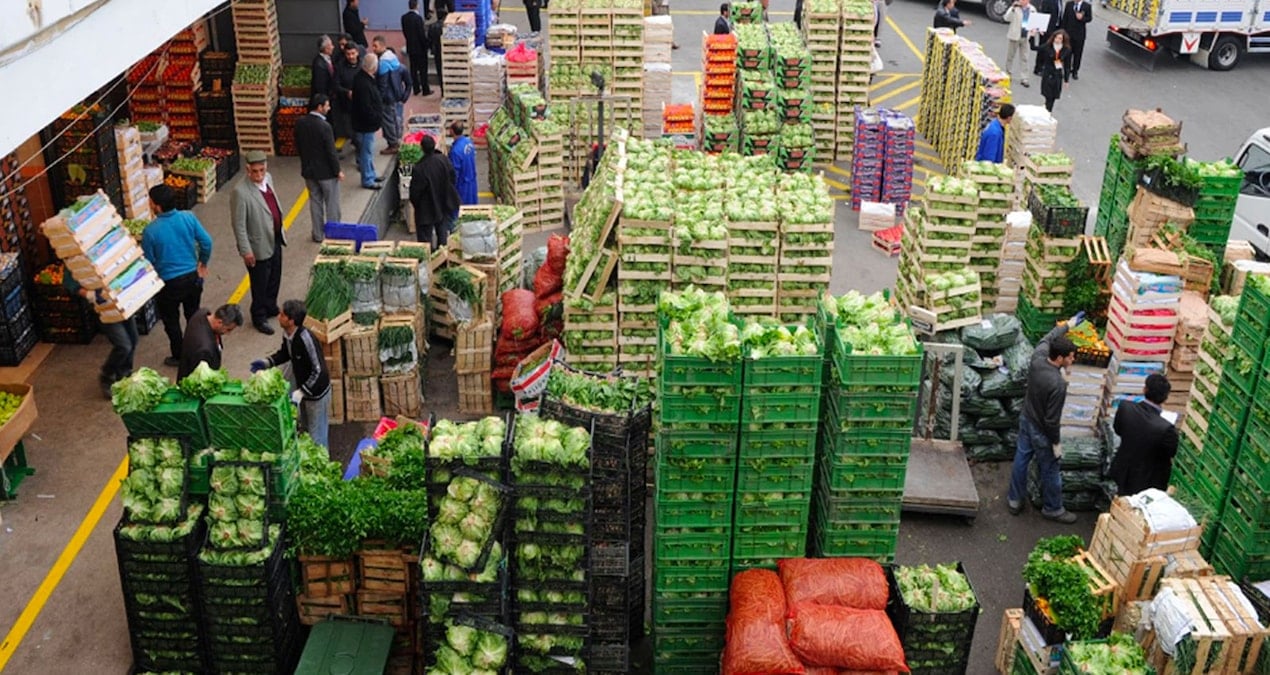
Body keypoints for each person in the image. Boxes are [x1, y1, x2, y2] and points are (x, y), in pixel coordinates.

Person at [1007, 315, 1081, 523]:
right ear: (1060, 358)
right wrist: (1056, 443)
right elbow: (1051, 420)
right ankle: (1053, 508)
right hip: (1042, 430)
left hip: (1027, 418)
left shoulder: (1038, 358)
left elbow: (1048, 337)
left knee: (1021, 457)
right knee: (1050, 468)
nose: (1072, 360)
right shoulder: (1057, 384)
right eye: (1070, 357)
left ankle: (1014, 499)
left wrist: (1068, 325)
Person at [141, 184, 213, 368]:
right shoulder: (188, 217)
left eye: (150, 201)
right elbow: (206, 242)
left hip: (168, 284)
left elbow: (148, 261)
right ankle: (196, 350)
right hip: (192, 278)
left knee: (171, 321)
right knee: (193, 316)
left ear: (157, 206)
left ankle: (179, 355)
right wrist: (202, 263)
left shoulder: (150, 231)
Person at [251, 300, 332, 450]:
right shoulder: (288, 334)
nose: (278, 316)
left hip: (317, 395)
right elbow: (285, 353)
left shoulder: (305, 339)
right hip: (305, 390)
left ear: (291, 320)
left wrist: (302, 391)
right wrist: (267, 362)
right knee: (307, 430)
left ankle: (323, 464)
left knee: (317, 435)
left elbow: (319, 370)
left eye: (282, 315)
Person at [232, 151, 288, 335]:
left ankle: (271, 305)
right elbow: (239, 225)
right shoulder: (240, 192)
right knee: (259, 283)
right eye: (254, 171)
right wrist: (245, 250)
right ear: (247, 170)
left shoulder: (269, 179)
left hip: (275, 238)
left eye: (262, 170)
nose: (259, 175)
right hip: (257, 246)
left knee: (275, 277)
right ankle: (259, 315)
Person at [64, 275, 139, 398]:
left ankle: (125, 375)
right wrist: (88, 294)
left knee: (133, 339)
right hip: (103, 307)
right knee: (123, 345)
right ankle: (107, 375)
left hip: (121, 298)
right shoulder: (77, 258)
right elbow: (69, 282)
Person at [1109, 374, 1179, 496]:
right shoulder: (1167, 428)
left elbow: (1118, 430)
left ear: (1144, 389)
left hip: (1123, 470)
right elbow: (1170, 453)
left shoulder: (1126, 408)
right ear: (1165, 398)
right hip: (1149, 481)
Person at [295, 94, 344, 243]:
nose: (329, 108)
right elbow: (331, 152)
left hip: (309, 171)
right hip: (326, 173)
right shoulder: (325, 127)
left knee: (315, 202)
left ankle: (317, 234)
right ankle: (334, 233)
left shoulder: (300, 123)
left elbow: (298, 145)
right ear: (320, 107)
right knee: (332, 204)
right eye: (327, 106)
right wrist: (338, 171)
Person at [410, 135, 460, 248]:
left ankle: (428, 260)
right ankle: (442, 257)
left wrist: (417, 205)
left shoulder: (419, 168)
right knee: (442, 233)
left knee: (425, 239)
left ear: (422, 148)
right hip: (443, 203)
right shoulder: (443, 160)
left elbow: (415, 193)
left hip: (426, 208)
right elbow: (453, 176)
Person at [177, 304, 243, 381]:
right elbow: (202, 380)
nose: (228, 333)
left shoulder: (203, 313)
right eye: (228, 329)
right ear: (219, 322)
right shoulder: (204, 350)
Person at [351, 52, 386, 189]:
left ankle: (371, 174)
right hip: (365, 125)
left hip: (365, 124)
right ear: (373, 67)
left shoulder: (362, 79)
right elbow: (366, 107)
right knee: (366, 152)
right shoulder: (364, 84)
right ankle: (368, 179)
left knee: (368, 151)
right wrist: (376, 117)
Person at [372, 36, 412, 155]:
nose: (373, 49)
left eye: (375, 46)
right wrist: (404, 95)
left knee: (388, 121)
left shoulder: (383, 63)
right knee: (395, 118)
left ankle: (393, 144)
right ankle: (396, 139)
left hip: (387, 98)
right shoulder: (393, 60)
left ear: (383, 46)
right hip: (396, 96)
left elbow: (383, 84)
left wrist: (378, 99)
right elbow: (407, 80)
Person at [1036, 29, 1073, 112]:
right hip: (1048, 74)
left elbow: (1067, 65)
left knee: (1053, 97)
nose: (1057, 40)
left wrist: (1066, 80)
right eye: (1056, 37)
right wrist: (1032, 36)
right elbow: (1034, 48)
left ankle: (1047, 110)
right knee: (1048, 96)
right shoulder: (1048, 46)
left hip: (1057, 75)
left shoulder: (1066, 50)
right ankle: (1047, 111)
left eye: (1060, 38)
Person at [333, 41, 362, 146]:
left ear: (357, 53)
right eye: (348, 54)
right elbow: (336, 85)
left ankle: (359, 149)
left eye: (353, 53)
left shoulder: (362, 66)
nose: (350, 56)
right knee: (350, 129)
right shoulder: (340, 67)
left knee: (360, 131)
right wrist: (347, 92)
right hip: (346, 105)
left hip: (361, 104)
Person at [402, 0, 433, 96]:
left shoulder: (404, 18)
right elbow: (421, 35)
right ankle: (425, 89)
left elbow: (405, 32)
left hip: (410, 47)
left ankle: (415, 88)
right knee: (423, 70)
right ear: (417, 6)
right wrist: (427, 45)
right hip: (420, 48)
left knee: (413, 69)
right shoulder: (418, 19)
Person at [1004, 0, 1036, 87]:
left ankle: (1024, 78)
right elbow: (1006, 18)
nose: (1022, 1)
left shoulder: (1032, 9)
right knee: (1010, 56)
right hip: (1015, 35)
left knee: (1025, 57)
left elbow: (1035, 23)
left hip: (1026, 36)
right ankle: (1008, 73)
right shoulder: (1015, 8)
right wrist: (1013, 9)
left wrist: (1034, 31)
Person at [1060, 0, 1092, 79]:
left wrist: (1082, 18)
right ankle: (1066, 69)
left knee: (1078, 54)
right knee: (1067, 53)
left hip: (1079, 35)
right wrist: (1062, 32)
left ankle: (1075, 71)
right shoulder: (1069, 4)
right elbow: (1065, 18)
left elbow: (1089, 18)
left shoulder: (1087, 6)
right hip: (1069, 33)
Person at [449, 121, 478, 205]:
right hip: (472, 180)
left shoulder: (455, 151)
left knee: (462, 210)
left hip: (462, 185)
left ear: (452, 131)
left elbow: (455, 172)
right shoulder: (468, 143)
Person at [1033, 0, 1062, 75]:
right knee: (1043, 49)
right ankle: (1038, 68)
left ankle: (1052, 68)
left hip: (1056, 28)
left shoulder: (1060, 1)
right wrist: (1042, 28)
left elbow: (1059, 14)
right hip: (1046, 29)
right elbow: (1043, 13)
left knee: (1055, 49)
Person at [312, 36, 337, 103]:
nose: (333, 47)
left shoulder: (329, 58)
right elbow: (320, 86)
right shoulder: (319, 65)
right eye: (331, 45)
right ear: (326, 48)